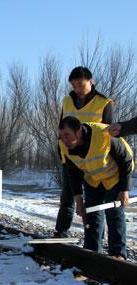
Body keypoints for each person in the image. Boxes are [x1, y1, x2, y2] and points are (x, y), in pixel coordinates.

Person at [58, 116, 133, 259]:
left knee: (114, 213)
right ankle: (92, 252)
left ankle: (117, 254)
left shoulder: (103, 134)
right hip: (93, 179)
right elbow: (73, 174)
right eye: (61, 136)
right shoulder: (64, 146)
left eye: (67, 135)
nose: (64, 140)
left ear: (79, 132)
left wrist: (124, 189)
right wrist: (79, 200)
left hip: (114, 177)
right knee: (91, 214)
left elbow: (126, 159)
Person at [54, 66, 114, 238]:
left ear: (91, 81)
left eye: (80, 84)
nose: (77, 89)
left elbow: (110, 135)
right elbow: (61, 128)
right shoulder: (67, 101)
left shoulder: (104, 103)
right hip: (71, 157)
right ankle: (61, 231)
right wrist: (61, 151)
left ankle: (96, 237)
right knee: (68, 196)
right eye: (74, 85)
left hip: (94, 160)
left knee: (94, 200)